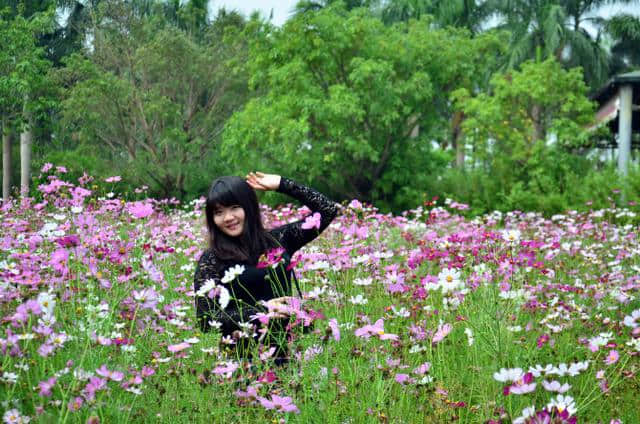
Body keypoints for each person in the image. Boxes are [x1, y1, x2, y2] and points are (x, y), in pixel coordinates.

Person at [193, 171, 338, 362]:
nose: (228, 217)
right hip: (243, 363)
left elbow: (327, 209)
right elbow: (206, 318)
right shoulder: (212, 259)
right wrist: (263, 311)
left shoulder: (278, 240)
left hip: (290, 354)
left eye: (235, 207)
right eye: (218, 212)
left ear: (249, 207)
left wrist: (281, 184)